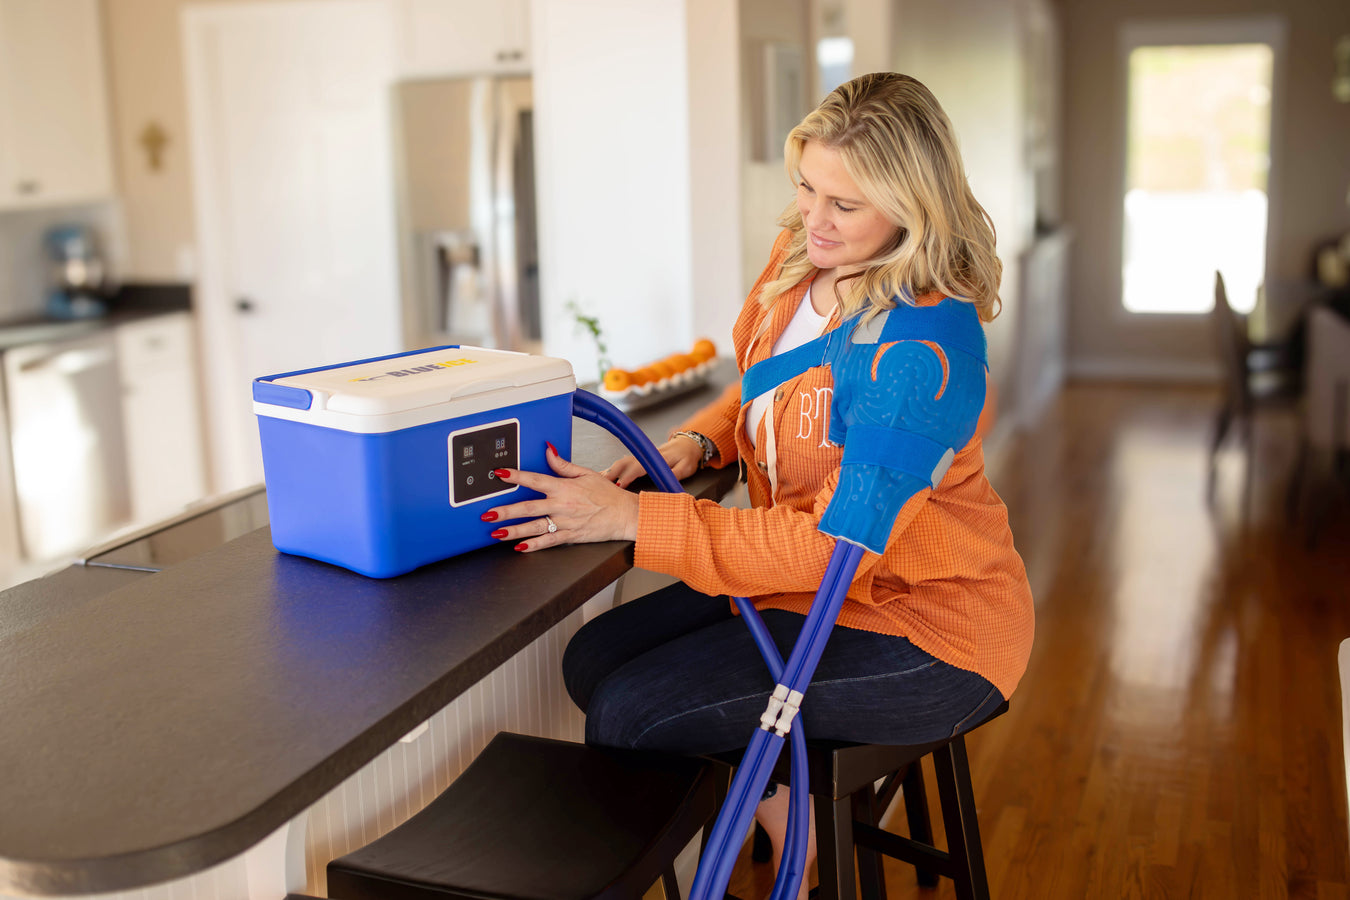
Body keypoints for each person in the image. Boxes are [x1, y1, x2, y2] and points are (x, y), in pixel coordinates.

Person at [478, 72, 1034, 896]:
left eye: (843, 204)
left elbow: (833, 547)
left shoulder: (923, 348)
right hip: (815, 591)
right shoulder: (805, 257)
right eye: (807, 186)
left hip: (925, 621)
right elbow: (769, 376)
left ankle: (776, 828)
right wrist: (703, 437)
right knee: (595, 658)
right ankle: (782, 807)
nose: (812, 219)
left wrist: (635, 519)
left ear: (912, 205)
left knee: (632, 715)